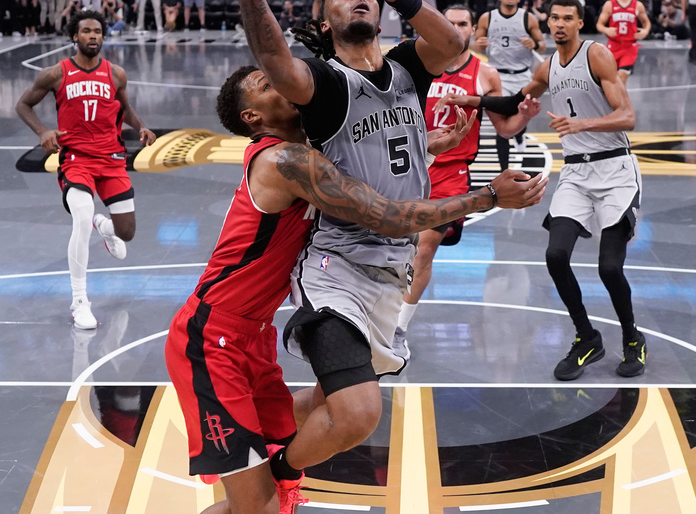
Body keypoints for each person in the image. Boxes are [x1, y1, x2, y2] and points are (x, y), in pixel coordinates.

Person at [165, 65, 545, 514]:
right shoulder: (282, 161)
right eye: (268, 85)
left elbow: (359, 171)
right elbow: (383, 212)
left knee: (298, 442)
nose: (284, 82)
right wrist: (487, 197)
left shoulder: (305, 152)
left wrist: (426, 147)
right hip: (212, 337)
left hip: (254, 336)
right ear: (251, 117)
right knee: (262, 507)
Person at [217, 0, 475, 501]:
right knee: (358, 416)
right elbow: (276, 62)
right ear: (326, 22)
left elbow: (455, 47)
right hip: (336, 263)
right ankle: (278, 478)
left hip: (391, 264)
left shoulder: (409, 65)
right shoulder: (326, 84)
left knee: (337, 403)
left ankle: (262, 461)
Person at [436, 0, 646, 381]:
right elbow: (516, 100)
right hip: (577, 175)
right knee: (555, 256)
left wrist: (582, 124)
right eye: (555, 18)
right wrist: (474, 100)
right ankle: (587, 338)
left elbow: (627, 116)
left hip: (616, 170)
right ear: (547, 23)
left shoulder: (596, 55)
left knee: (610, 267)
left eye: (568, 18)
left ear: (580, 22)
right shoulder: (548, 66)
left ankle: (633, 339)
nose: (560, 24)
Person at [392, 5, 544, 359]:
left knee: (424, 246)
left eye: (463, 24)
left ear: (474, 30)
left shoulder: (484, 73)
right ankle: (380, 310)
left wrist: (522, 116)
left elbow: (504, 128)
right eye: (451, 23)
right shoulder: (414, 63)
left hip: (452, 174)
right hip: (408, 167)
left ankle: (398, 329)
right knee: (393, 247)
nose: (457, 30)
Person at [15, 11, 156, 329]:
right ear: (74, 37)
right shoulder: (56, 73)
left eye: (98, 31)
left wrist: (141, 126)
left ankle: (104, 227)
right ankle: (80, 301)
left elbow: (125, 107)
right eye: (86, 31)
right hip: (76, 160)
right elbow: (23, 105)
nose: (93, 36)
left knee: (127, 234)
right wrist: (42, 131)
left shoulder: (116, 74)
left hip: (111, 160)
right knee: (79, 219)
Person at [473, 0, 547, 170]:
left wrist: (534, 45)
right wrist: (478, 44)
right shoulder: (487, 18)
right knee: (502, 125)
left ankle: (520, 136)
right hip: (498, 77)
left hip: (522, 76)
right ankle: (504, 170)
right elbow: (475, 45)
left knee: (521, 115)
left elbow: (542, 44)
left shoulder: (528, 18)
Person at [595, 0, 650, 85]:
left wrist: (645, 31)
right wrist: (607, 29)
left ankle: (620, 101)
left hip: (629, 47)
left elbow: (646, 22)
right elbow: (599, 25)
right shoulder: (610, 4)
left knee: (622, 77)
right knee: (610, 78)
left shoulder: (637, 5)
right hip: (614, 45)